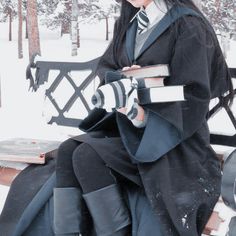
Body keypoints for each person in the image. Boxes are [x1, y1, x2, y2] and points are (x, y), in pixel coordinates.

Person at [54, 0, 233, 236]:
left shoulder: (188, 25)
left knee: (87, 156)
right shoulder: (131, 24)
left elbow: (193, 97)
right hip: (128, 131)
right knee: (68, 150)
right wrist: (122, 78)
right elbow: (106, 65)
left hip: (174, 140)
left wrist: (141, 114)